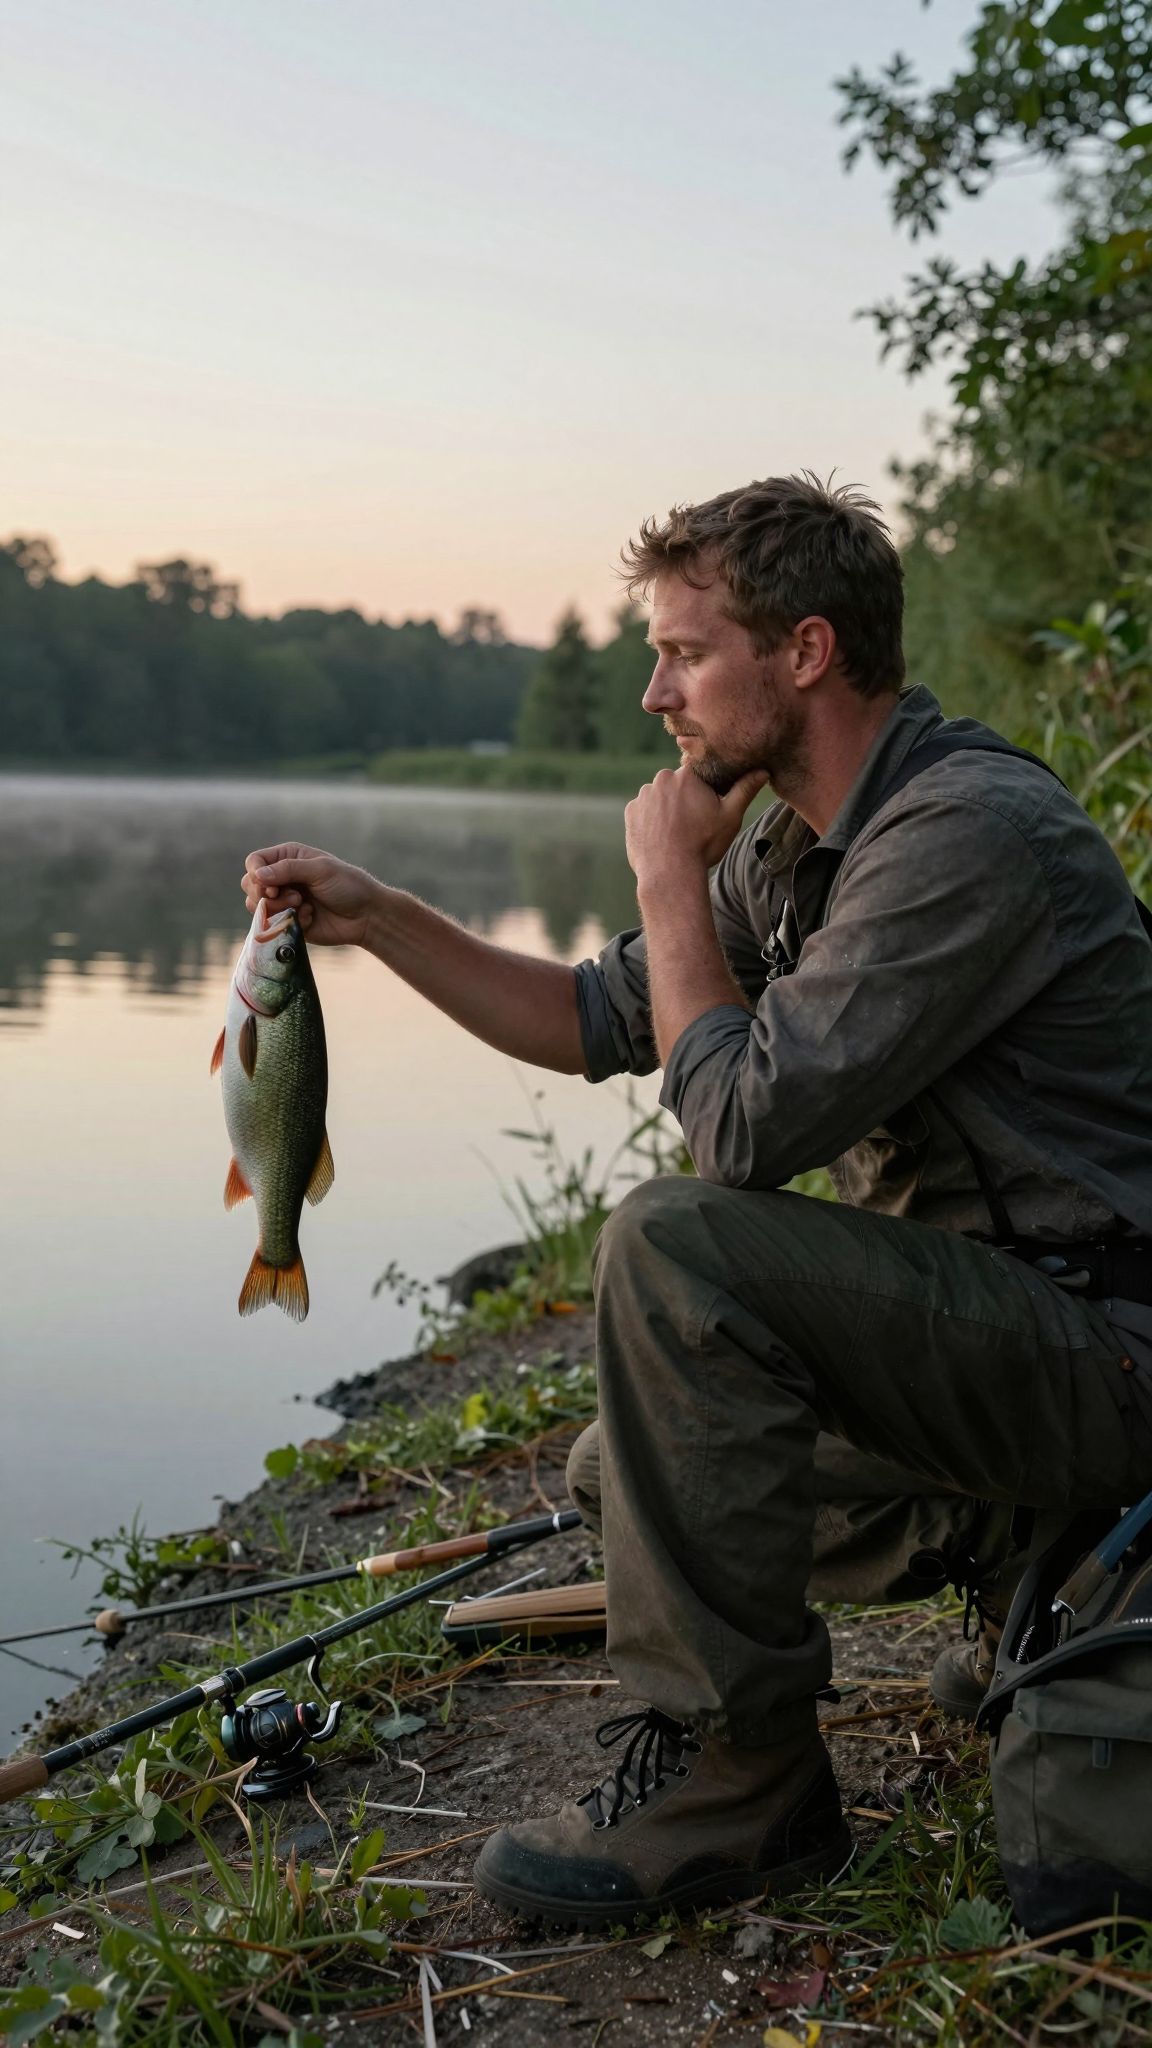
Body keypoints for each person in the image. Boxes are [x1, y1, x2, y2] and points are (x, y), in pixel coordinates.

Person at [242, 474, 1152, 1930]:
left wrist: (671, 878)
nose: (655, 692)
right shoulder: (794, 843)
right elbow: (591, 1016)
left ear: (806, 652)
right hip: (1000, 1356)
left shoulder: (962, 835)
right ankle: (1034, 1564)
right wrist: (383, 919)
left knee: (674, 1243)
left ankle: (743, 1777)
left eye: (683, 653)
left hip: (1109, 1354)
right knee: (632, 1481)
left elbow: (738, 1132)